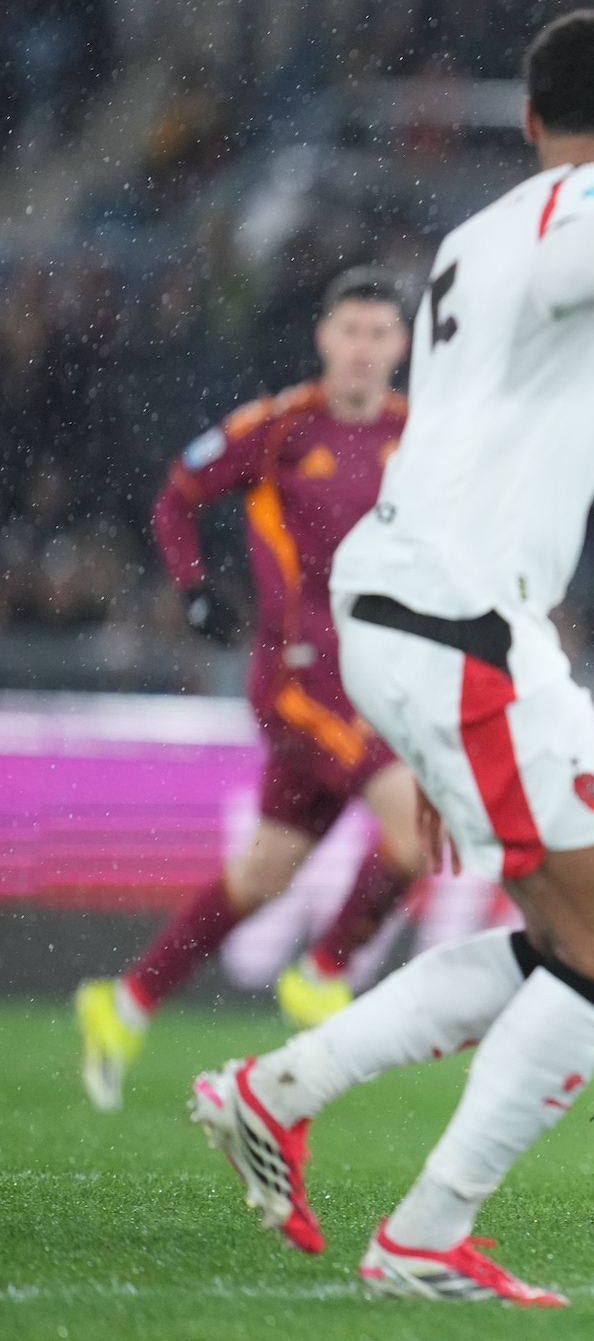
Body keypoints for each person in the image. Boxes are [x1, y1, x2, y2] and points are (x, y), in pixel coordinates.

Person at [186, 11, 594, 1304]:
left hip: (423, 613)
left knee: (562, 938)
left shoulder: (470, 235)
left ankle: (276, 1088)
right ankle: (419, 1233)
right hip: (460, 621)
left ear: (525, 122)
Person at [75, 267, 425, 1113]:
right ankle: (326, 971)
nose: (363, 348)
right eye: (351, 330)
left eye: (380, 333)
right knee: (418, 829)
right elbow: (177, 496)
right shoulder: (276, 428)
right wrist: (192, 587)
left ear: (401, 346)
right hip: (301, 680)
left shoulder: (421, 433)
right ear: (324, 338)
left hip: (378, 682)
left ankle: (126, 1001)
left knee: (265, 872)